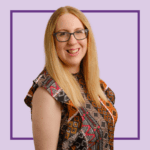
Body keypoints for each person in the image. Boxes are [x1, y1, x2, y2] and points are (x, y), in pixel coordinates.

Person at [24, 6, 118, 150]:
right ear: (53, 41)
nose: (72, 41)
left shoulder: (94, 84)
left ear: (87, 37)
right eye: (63, 34)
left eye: (79, 32)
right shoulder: (48, 93)